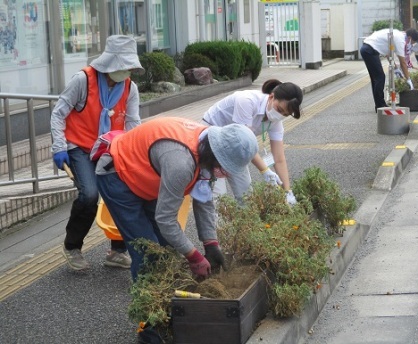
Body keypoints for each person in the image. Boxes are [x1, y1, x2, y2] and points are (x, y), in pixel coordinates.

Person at [95, 117, 258, 281]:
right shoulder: (182, 163)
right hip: (117, 173)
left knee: (168, 246)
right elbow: (165, 219)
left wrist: (211, 244)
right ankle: (149, 301)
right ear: (215, 153)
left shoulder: (206, 146)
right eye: (224, 165)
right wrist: (193, 256)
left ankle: (168, 294)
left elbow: (204, 200)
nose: (226, 172)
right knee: (147, 250)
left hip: (146, 174)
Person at [50, 35, 145, 271]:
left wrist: (137, 154)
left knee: (124, 192)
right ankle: (72, 246)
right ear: (110, 63)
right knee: (90, 195)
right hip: (80, 147)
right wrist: (59, 148)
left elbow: (133, 123)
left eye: (129, 67)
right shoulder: (83, 80)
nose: (127, 71)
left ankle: (117, 250)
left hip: (111, 147)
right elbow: (58, 113)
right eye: (123, 66)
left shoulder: (129, 87)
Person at [202, 79, 303, 206]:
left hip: (235, 147)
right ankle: (217, 225)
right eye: (279, 109)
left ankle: (244, 225)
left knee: (247, 195)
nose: (280, 115)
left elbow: (279, 158)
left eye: (285, 114)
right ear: (271, 97)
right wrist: (265, 171)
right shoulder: (247, 101)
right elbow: (245, 144)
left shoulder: (275, 121)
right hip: (211, 142)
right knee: (218, 197)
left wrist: (287, 191)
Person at [360, 28, 418, 112]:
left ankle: (379, 105)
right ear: (410, 38)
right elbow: (403, 62)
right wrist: (408, 80)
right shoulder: (400, 40)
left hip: (367, 48)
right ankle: (380, 105)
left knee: (376, 79)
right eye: (413, 43)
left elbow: (388, 54)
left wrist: (395, 68)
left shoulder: (398, 35)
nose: (411, 45)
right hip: (369, 50)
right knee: (380, 77)